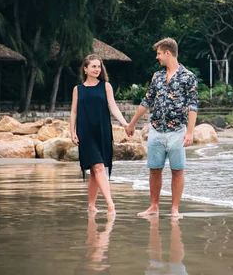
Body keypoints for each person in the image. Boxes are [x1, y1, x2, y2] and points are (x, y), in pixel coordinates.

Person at [126, 38, 198, 217]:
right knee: (155, 169)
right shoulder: (157, 76)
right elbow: (147, 101)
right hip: (156, 130)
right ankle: (154, 206)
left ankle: (174, 209)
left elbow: (193, 106)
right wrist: (132, 123)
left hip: (177, 132)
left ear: (168, 53)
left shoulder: (188, 77)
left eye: (159, 53)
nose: (157, 57)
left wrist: (190, 132)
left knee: (177, 170)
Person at [70, 54, 128, 216]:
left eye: (99, 66)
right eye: (93, 66)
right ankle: (110, 204)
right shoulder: (78, 90)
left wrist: (124, 123)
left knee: (96, 171)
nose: (97, 69)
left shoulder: (106, 86)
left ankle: (91, 205)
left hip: (102, 130)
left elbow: (114, 107)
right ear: (85, 69)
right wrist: (72, 132)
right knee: (98, 166)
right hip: (85, 131)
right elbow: (74, 111)